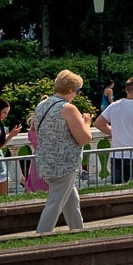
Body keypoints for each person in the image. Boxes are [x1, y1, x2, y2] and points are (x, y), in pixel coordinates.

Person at [30, 73, 96, 234]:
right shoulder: (68, 108)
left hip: (45, 161)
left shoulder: (42, 105)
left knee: (71, 201)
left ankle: (78, 230)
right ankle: (41, 235)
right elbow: (84, 138)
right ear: (71, 89)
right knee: (55, 203)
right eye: (78, 90)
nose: (77, 94)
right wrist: (87, 122)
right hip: (64, 164)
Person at [98, 77, 133, 183]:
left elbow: (98, 123)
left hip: (117, 155)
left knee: (117, 192)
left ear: (126, 90)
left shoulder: (114, 106)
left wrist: (114, 132)